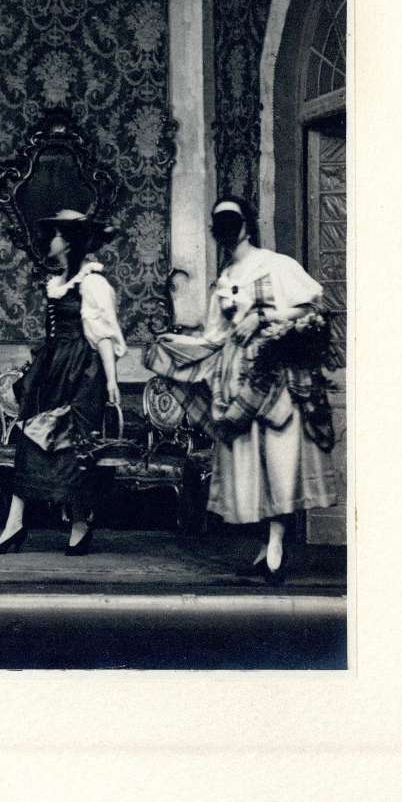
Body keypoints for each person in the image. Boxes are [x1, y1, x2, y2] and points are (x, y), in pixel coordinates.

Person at [145, 195, 340, 583]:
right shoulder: (224, 282)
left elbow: (313, 308)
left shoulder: (276, 265)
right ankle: (267, 544)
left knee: (280, 462)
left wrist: (263, 316)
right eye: (219, 226)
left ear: (247, 226)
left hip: (277, 374)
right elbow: (214, 338)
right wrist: (175, 343)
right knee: (253, 466)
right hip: (237, 382)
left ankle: (277, 544)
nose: (226, 232)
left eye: (231, 223)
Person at [0, 209, 127, 556]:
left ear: (67, 243)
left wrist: (111, 380)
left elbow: (103, 334)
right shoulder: (58, 282)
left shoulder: (92, 282)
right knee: (32, 442)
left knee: (70, 448)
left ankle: (79, 524)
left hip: (81, 373)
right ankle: (15, 524)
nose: (50, 241)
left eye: (56, 235)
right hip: (52, 370)